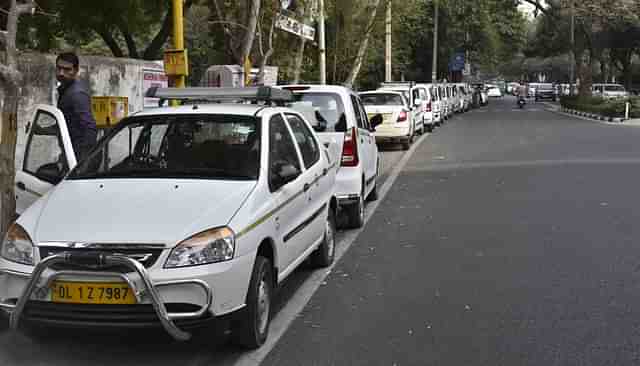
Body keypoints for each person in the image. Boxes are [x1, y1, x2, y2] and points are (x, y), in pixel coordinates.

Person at [56, 52, 97, 160]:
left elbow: (89, 127)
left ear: (76, 71)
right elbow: (67, 122)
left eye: (67, 69)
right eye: (59, 68)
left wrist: (84, 161)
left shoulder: (77, 94)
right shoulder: (65, 90)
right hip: (69, 152)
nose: (61, 73)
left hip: (77, 155)